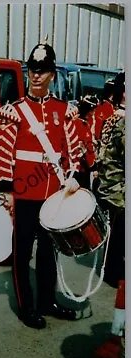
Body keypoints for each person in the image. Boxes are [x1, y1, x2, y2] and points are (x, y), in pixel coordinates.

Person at [0, 42, 82, 329]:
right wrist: (6, 189)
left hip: (53, 194)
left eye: (42, 71)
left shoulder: (63, 110)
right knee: (21, 252)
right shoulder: (15, 111)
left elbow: (72, 149)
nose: (37, 76)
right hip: (24, 191)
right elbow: (3, 151)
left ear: (52, 75)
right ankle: (26, 305)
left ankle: (48, 301)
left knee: (48, 251)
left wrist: (73, 175)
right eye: (33, 70)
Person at [97, 71, 125, 288]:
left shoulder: (113, 115)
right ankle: (112, 271)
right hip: (118, 187)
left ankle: (112, 267)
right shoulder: (124, 120)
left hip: (109, 183)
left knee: (117, 232)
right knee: (119, 235)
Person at [74, 95, 98, 189]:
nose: (94, 113)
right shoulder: (81, 125)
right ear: (89, 111)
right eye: (93, 110)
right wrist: (93, 165)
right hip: (82, 167)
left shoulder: (76, 121)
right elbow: (87, 147)